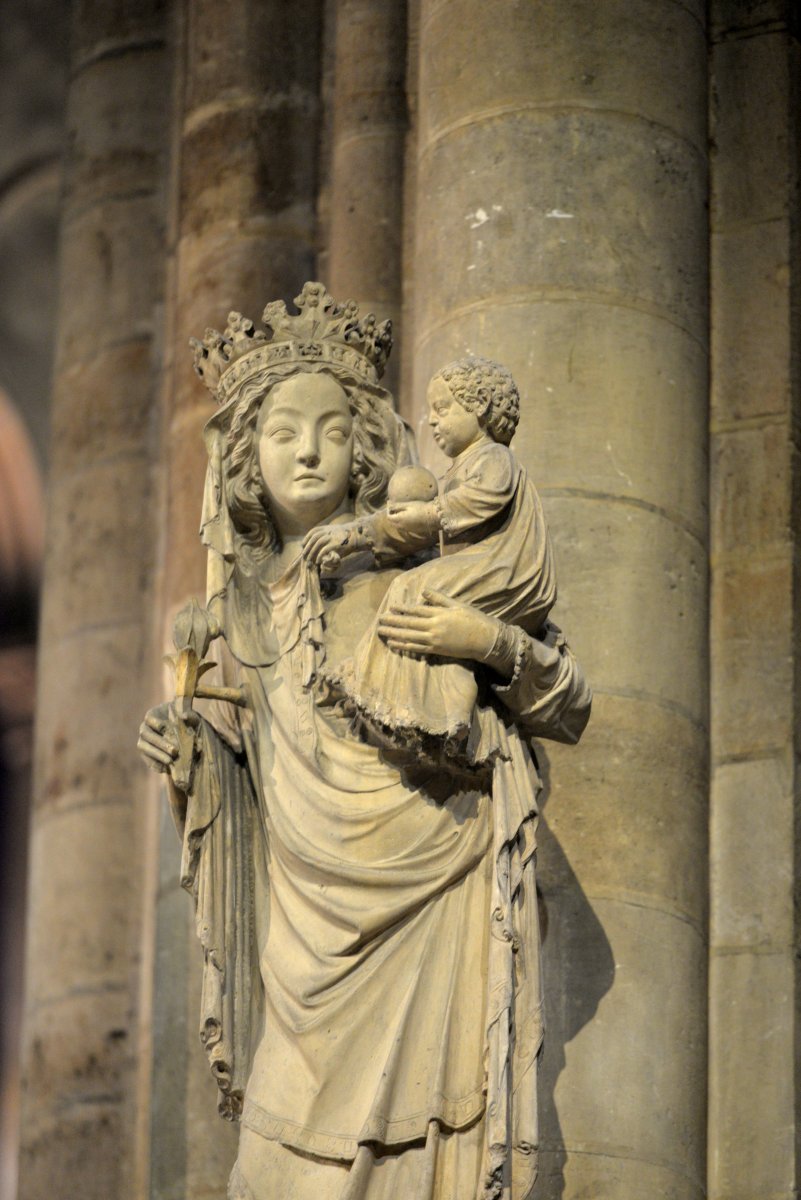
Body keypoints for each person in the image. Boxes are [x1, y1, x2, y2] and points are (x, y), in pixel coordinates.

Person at [137, 284, 591, 1200]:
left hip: (439, 894)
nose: (306, 451)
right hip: (306, 949)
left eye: (331, 431)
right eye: (279, 433)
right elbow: (250, 795)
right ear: (242, 461)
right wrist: (194, 767)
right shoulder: (226, 621)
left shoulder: (423, 572)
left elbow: (567, 700)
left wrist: (483, 644)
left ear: (365, 452)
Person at [304, 357, 556, 767]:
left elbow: (474, 504)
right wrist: (361, 534)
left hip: (504, 568)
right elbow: (414, 528)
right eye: (429, 411)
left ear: (479, 407)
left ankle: (422, 713)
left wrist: (431, 513)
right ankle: (431, 713)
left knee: (413, 590)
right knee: (421, 599)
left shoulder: (492, 458)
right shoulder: (465, 467)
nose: (432, 421)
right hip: (485, 566)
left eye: (443, 409)